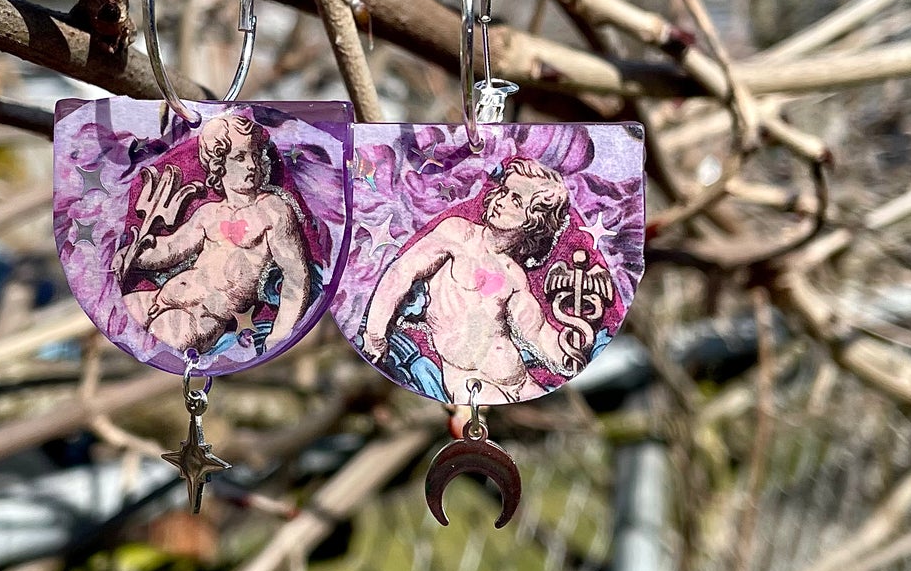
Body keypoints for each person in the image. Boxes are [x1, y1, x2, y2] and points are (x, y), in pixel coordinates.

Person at [362, 158, 611, 402]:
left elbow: (536, 331)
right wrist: (374, 334)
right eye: (503, 191)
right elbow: (401, 273)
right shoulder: (457, 235)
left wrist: (569, 350)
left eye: (515, 200)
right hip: (469, 382)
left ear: (532, 220)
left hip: (521, 382)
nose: (500, 201)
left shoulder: (514, 275)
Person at [123, 114, 310, 355]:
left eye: (254, 155)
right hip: (159, 297)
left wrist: (280, 333)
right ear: (218, 164)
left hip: (201, 316)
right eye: (240, 158)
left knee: (160, 339)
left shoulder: (271, 210)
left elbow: (296, 276)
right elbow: (169, 250)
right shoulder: (209, 213)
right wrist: (132, 253)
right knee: (117, 312)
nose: (252, 165)